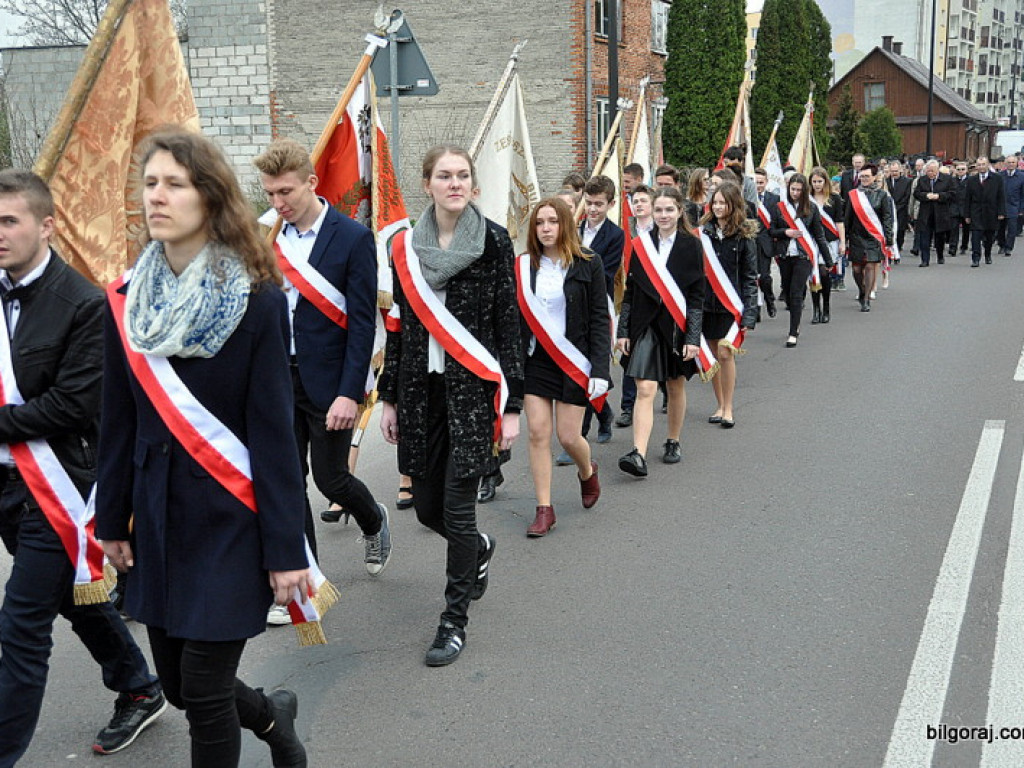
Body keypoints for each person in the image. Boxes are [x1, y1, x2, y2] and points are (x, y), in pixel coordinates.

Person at [95, 130, 310, 767]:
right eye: (150, 182)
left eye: (175, 184)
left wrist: (286, 550)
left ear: (210, 198)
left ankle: (263, 721)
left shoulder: (258, 301)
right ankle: (274, 719)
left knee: (208, 694)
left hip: (230, 521)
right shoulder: (127, 302)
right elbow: (119, 422)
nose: (156, 196)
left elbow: (274, 436)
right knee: (187, 688)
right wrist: (112, 520)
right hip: (159, 522)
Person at [0, 171, 164, 764]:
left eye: (9, 221)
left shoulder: (83, 303)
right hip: (6, 484)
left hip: (60, 486)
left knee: (20, 625)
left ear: (45, 226)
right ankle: (140, 687)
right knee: (76, 596)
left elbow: (71, 406)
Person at [379, 145, 523, 666]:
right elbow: (399, 327)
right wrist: (389, 397)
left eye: (463, 175)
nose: (455, 183)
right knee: (426, 509)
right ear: (428, 184)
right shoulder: (404, 248)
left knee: (458, 513)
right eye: (445, 175)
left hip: (472, 395)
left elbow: (510, 323)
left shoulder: (494, 243)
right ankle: (478, 550)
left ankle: (452, 621)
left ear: (473, 185)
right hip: (421, 395)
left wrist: (512, 406)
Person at [253, 139, 391, 627]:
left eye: (285, 191)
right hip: (274, 379)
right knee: (286, 482)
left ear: (311, 182)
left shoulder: (351, 237)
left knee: (331, 478)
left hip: (329, 379)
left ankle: (373, 519)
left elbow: (360, 323)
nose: (277, 203)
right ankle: (303, 580)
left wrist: (350, 392)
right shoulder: (265, 237)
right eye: (269, 194)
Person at [517, 198, 608, 537]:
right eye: (540, 222)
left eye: (552, 221)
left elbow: (600, 319)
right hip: (536, 361)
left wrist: (600, 369)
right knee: (538, 432)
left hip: (574, 360)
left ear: (565, 224)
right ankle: (544, 508)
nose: (545, 228)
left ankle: (587, 469)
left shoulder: (588, 263)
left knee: (569, 436)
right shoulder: (524, 266)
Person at [616, 186, 705, 476]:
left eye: (669, 210)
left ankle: (673, 439)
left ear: (680, 211)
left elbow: (696, 296)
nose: (663, 215)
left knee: (675, 385)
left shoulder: (691, 246)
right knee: (645, 387)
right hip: (645, 326)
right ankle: (638, 453)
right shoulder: (641, 245)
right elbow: (629, 292)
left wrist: (693, 338)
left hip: (676, 327)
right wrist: (623, 330)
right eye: (658, 210)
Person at [699, 181, 757, 428]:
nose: (719, 206)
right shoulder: (703, 232)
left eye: (724, 202)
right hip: (705, 303)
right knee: (712, 356)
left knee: (725, 353)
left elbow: (749, 276)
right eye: (716, 202)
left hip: (731, 304)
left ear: (734, 205)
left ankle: (729, 408)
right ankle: (720, 404)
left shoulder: (744, 236)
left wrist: (750, 312)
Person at [770, 173, 831, 346]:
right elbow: (771, 231)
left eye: (799, 190)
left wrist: (828, 260)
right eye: (793, 189)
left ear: (804, 190)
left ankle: (793, 331)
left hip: (804, 255)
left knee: (796, 293)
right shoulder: (779, 207)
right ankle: (794, 318)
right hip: (784, 255)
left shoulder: (811, 208)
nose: (795, 192)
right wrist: (785, 232)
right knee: (788, 292)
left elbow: (819, 236)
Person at [614, 184, 655, 430]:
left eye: (642, 200)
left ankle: (669, 395)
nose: (638, 204)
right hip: (631, 295)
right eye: (634, 201)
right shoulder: (625, 230)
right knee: (629, 353)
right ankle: (628, 406)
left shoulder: (659, 231)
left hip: (657, 298)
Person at [845, 163, 894, 310]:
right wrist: (845, 237)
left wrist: (888, 238)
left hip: (874, 237)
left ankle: (866, 299)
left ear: (874, 177)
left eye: (867, 176)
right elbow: (847, 217)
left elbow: (887, 218)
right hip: (856, 236)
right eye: (862, 176)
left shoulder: (882, 195)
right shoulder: (853, 195)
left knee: (870, 267)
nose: (864, 179)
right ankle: (861, 290)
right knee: (856, 270)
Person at [808, 166, 844, 325]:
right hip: (811, 242)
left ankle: (826, 306)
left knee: (824, 273)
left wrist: (843, 242)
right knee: (813, 274)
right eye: (814, 181)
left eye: (820, 181)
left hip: (828, 242)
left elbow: (839, 222)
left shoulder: (834, 199)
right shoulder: (806, 199)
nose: (817, 184)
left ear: (825, 181)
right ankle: (816, 308)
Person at [964, 155, 1006, 267]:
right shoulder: (972, 180)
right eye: (979, 165)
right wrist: (967, 214)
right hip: (976, 211)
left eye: (983, 164)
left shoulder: (997, 178)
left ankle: (987, 254)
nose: (981, 167)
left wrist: (1001, 212)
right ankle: (976, 258)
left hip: (991, 211)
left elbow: (1001, 196)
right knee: (976, 236)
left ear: (988, 165)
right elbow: (967, 198)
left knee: (989, 237)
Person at [912, 159, 954, 266]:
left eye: (933, 171)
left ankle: (940, 255)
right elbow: (916, 193)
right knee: (924, 237)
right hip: (926, 213)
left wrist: (939, 196)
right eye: (928, 171)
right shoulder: (922, 180)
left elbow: (952, 194)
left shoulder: (947, 179)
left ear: (937, 170)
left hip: (940, 213)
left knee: (939, 237)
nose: (930, 173)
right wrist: (926, 196)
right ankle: (925, 260)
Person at [753, 167, 780, 313]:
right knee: (752, 277)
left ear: (766, 182)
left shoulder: (774, 199)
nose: (758, 185)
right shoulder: (747, 198)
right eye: (755, 182)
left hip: (766, 243)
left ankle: (769, 299)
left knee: (764, 277)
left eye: (761, 182)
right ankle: (755, 308)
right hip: (750, 242)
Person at [886, 159, 912, 255]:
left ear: (900, 170)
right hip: (888, 210)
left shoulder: (907, 181)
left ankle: (898, 247)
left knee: (900, 230)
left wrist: (896, 208)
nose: (894, 173)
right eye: (892, 171)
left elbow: (907, 196)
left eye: (896, 171)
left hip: (901, 210)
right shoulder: (886, 181)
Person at [999, 154, 1024, 255]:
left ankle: (1009, 247)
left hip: (1014, 206)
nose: (1011, 164)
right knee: (1000, 228)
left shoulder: (1021, 176)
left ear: (1017, 164)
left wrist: (1021, 209)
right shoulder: (1000, 175)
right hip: (1001, 206)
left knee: (1012, 229)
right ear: (1005, 163)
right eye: (1009, 162)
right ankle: (1001, 244)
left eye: (1013, 162)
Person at [950, 160, 971, 255]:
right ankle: (953, 247)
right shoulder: (952, 180)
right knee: (953, 229)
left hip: (966, 208)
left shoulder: (970, 181)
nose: (961, 171)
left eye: (963, 169)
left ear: (966, 170)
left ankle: (964, 246)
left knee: (966, 229)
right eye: (958, 169)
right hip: (954, 207)